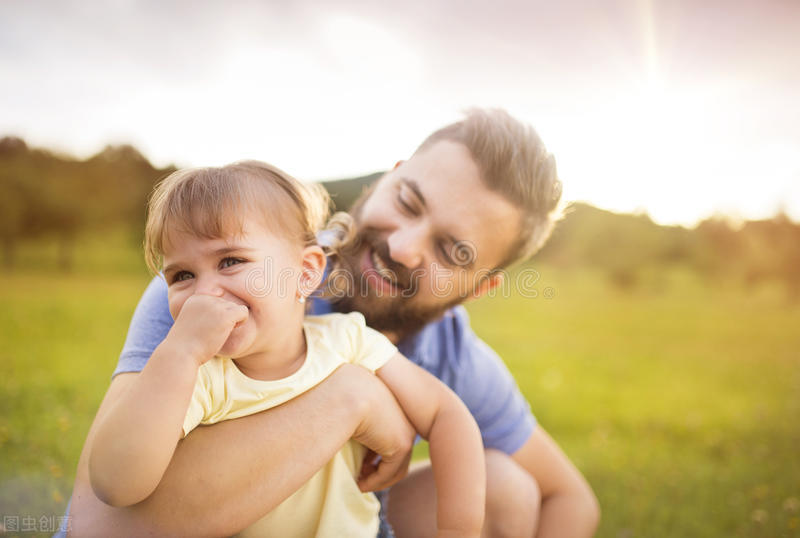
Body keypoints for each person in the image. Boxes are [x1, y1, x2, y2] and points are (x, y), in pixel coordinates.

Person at [66, 108, 600, 537]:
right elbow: (95, 526)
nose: (402, 247)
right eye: (408, 202)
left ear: (478, 288)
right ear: (388, 178)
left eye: (451, 251)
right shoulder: (218, 289)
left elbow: (571, 499)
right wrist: (353, 400)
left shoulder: (451, 353)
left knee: (508, 490)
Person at [86, 161, 486, 538]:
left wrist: (457, 530)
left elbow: (445, 414)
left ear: (306, 272)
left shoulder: (347, 340)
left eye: (230, 261)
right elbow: (116, 483)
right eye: (182, 275)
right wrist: (178, 354)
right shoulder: (198, 379)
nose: (203, 294)